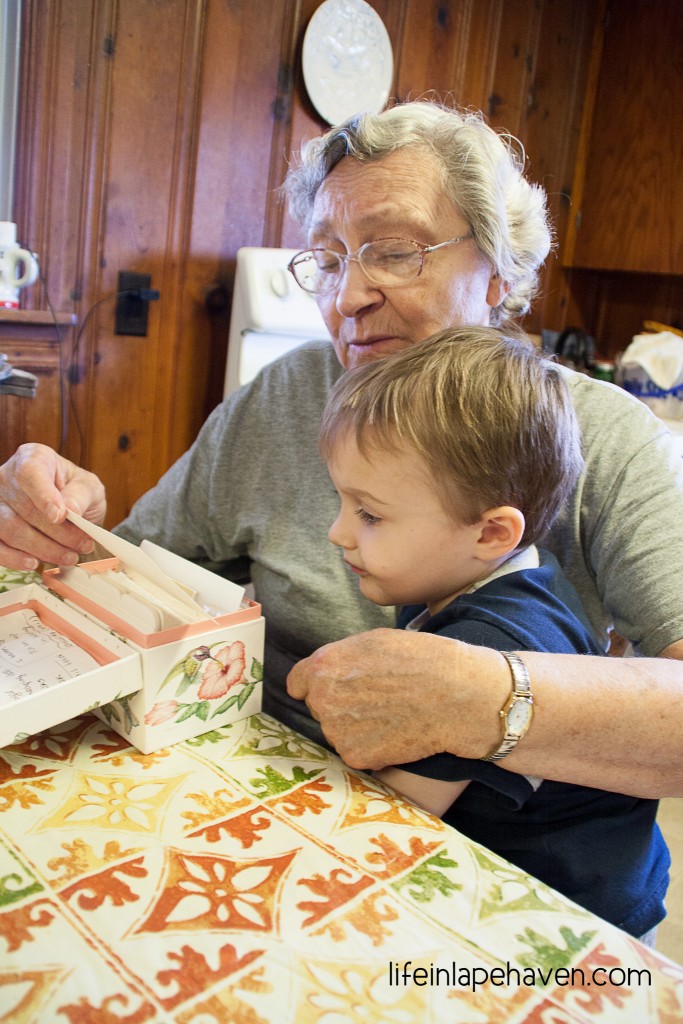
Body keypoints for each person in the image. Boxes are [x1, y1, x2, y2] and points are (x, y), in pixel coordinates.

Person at [1, 101, 682, 799]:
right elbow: (138, 571)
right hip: (265, 783)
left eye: (394, 252)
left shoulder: (607, 435)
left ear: (500, 272)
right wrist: (57, 523)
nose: (347, 295)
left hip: (509, 864)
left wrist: (491, 701)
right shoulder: (291, 392)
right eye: (328, 260)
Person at [317, 325, 669, 938]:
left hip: (566, 920)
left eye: (369, 513)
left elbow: (386, 823)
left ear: (491, 533)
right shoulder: (483, 572)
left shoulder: (495, 638)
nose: (338, 533)